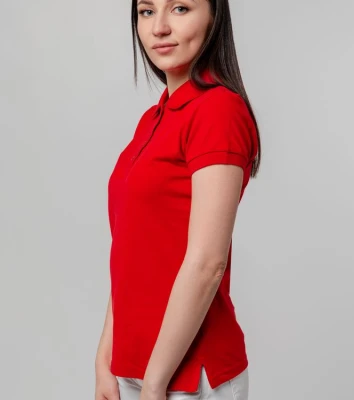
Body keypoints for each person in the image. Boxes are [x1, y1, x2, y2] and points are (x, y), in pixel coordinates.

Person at [95, 0, 262, 399]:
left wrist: (155, 382)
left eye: (180, 8)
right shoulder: (154, 119)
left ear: (214, 17)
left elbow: (207, 263)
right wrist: (105, 359)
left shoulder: (218, 110)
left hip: (186, 376)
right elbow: (133, 251)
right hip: (134, 368)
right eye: (146, 11)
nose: (159, 27)